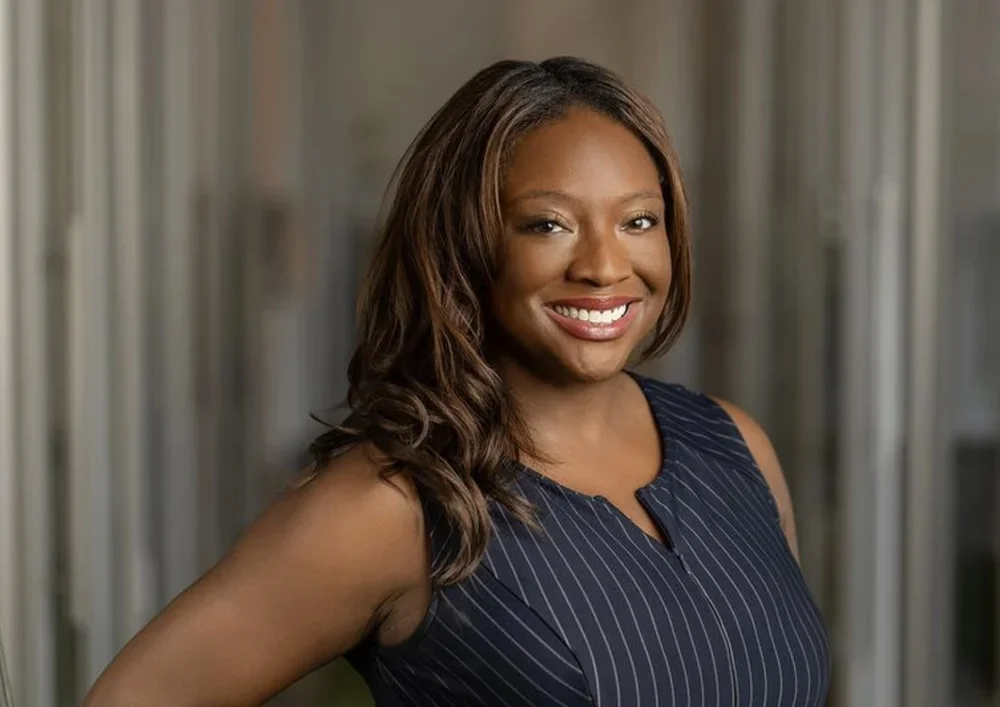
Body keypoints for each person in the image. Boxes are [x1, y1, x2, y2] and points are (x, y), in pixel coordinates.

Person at [84, 56, 830, 707]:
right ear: (463, 244)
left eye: (639, 221)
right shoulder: (391, 506)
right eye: (548, 225)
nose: (605, 266)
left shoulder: (736, 447)